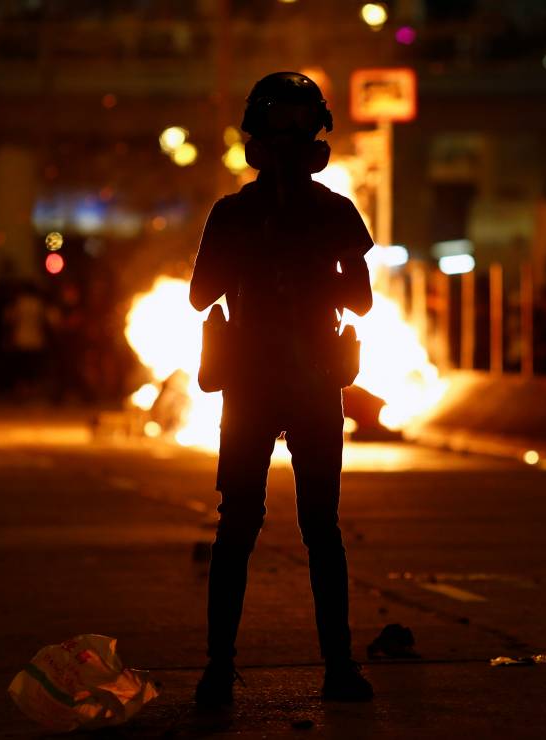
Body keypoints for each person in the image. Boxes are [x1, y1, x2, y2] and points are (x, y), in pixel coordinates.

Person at [188, 71, 375, 706]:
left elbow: (198, 296)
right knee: (320, 528)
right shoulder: (335, 212)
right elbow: (362, 300)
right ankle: (339, 669)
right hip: (314, 383)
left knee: (237, 526)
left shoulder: (234, 212)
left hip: (253, 383)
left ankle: (219, 673)